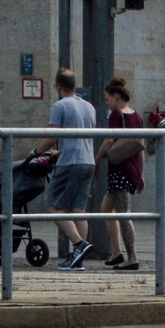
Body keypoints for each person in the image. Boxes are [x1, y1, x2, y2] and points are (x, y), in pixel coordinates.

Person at [42, 68, 98, 267]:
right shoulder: (90, 107)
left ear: (58, 86)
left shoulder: (60, 106)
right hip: (88, 161)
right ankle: (78, 259)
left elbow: (51, 138)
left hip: (70, 162)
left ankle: (79, 244)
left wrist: (37, 151)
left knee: (53, 207)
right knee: (78, 210)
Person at [97, 77, 144, 270]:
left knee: (124, 214)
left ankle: (132, 257)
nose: (106, 103)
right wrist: (141, 174)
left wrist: (96, 160)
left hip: (120, 171)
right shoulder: (137, 116)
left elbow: (108, 140)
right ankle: (116, 253)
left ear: (116, 97)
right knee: (106, 210)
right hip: (131, 169)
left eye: (108, 98)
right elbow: (141, 146)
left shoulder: (117, 115)